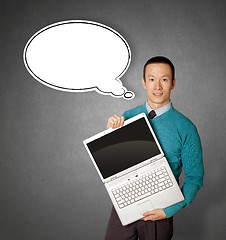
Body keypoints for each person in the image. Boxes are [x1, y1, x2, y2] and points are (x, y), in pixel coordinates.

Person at [105, 56, 204, 240]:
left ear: (173, 83)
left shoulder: (187, 129)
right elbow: (115, 164)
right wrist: (111, 133)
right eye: (152, 79)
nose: (157, 86)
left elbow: (195, 178)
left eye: (164, 79)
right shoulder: (128, 116)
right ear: (144, 82)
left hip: (161, 209)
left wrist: (170, 210)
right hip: (126, 200)